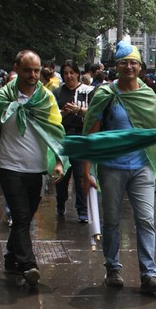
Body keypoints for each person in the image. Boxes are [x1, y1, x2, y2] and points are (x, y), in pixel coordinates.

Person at [82, 43, 156, 295]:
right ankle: (112, 269)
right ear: (116, 66)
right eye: (123, 62)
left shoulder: (149, 94)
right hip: (111, 167)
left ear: (140, 66)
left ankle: (149, 275)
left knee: (146, 220)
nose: (129, 66)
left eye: (133, 62)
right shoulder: (105, 95)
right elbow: (91, 132)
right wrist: (86, 172)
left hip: (142, 168)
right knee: (111, 221)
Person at [0, 50, 65, 288]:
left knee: (26, 215)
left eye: (36, 71)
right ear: (16, 68)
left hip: (36, 170)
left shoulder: (46, 99)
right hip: (10, 167)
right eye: (27, 70)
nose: (33, 75)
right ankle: (29, 265)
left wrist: (58, 161)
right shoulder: (2, 97)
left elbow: (56, 133)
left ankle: (11, 258)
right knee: (22, 217)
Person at [54, 60, 91, 222]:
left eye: (71, 72)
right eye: (65, 73)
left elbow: (95, 113)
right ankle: (60, 202)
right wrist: (62, 114)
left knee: (80, 174)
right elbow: (51, 116)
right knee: (62, 176)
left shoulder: (88, 91)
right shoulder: (57, 93)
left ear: (77, 73)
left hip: (81, 137)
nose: (69, 76)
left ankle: (82, 209)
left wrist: (79, 110)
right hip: (62, 138)